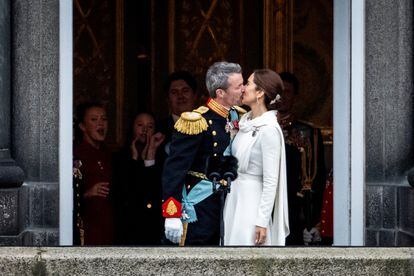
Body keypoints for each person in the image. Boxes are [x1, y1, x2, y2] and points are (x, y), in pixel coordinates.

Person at [162, 61, 245, 245]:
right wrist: (172, 213)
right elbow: (174, 169)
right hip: (201, 206)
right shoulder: (196, 121)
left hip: (230, 205)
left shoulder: (239, 117)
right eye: (239, 86)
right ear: (220, 93)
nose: (244, 89)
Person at [223, 69, 289, 246]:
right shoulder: (245, 121)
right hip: (235, 197)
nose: (243, 88)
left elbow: (270, 180)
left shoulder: (269, 129)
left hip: (252, 202)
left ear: (260, 92)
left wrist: (261, 220)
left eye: (249, 84)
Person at [277, 72, 326, 246]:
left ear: (295, 97)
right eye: (278, 91)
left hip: (296, 211)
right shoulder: (258, 129)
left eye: (287, 92)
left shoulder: (309, 134)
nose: (281, 97)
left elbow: (317, 182)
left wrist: (313, 222)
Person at [112, 112, 165, 245]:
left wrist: (150, 156)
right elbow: (126, 191)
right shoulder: (120, 157)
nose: (145, 130)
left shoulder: (163, 157)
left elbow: (154, 191)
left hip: (153, 226)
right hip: (128, 225)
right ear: (132, 128)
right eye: (140, 125)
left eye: (150, 126)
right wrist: (135, 159)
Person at [73, 102, 115, 245]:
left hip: (109, 228)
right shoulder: (75, 154)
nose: (100, 124)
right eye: (94, 119)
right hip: (86, 230)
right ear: (82, 126)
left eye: (104, 119)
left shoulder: (109, 154)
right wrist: (87, 194)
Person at [157, 71, 198, 156]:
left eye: (185, 91)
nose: (180, 96)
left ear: (195, 96)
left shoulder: (211, 127)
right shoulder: (157, 130)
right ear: (168, 100)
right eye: (174, 92)